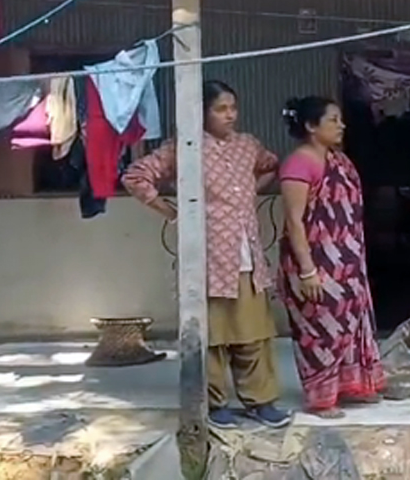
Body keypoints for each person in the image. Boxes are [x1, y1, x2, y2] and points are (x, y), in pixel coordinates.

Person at [122, 80, 291, 429]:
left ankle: (261, 401)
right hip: (208, 259)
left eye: (233, 108)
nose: (230, 115)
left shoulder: (248, 145)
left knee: (255, 332)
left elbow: (272, 165)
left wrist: (249, 194)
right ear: (202, 113)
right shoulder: (185, 148)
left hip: (248, 256)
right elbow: (136, 175)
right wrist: (169, 210)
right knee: (213, 336)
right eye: (221, 109)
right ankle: (216, 404)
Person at [278, 96, 386, 418]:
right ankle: (320, 397)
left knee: (350, 326)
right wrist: (307, 271)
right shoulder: (300, 163)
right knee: (321, 329)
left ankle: (349, 387)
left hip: (346, 262)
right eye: (333, 120)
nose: (341, 125)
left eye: (340, 119)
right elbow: (295, 221)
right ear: (311, 126)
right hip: (316, 262)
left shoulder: (338, 160)